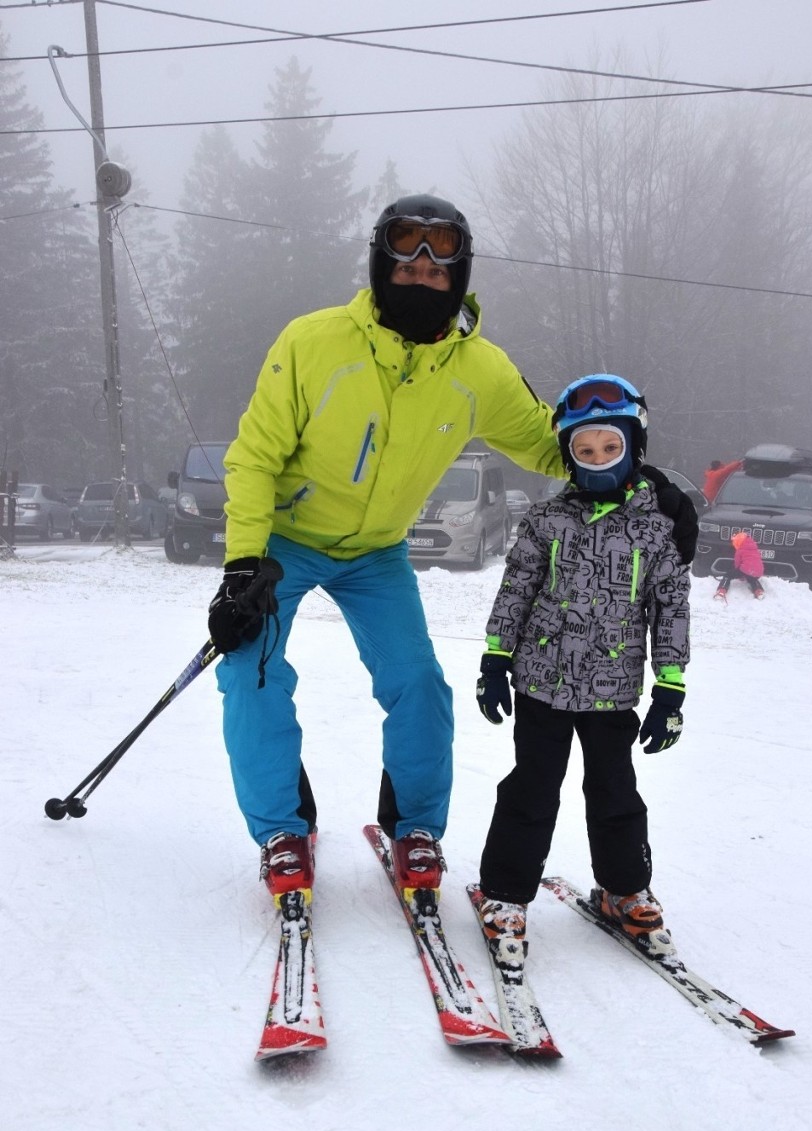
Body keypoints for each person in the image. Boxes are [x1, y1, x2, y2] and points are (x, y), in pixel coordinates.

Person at [206, 196, 698, 905]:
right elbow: (253, 458)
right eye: (406, 253)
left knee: (419, 684)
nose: (423, 268)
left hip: (377, 553)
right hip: (287, 543)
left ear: (462, 271)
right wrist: (243, 566)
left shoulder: (481, 369)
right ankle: (283, 830)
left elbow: (548, 443)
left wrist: (646, 481)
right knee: (251, 671)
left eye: (441, 257)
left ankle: (415, 826)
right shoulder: (312, 344)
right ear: (381, 262)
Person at [474, 374, 690, 959]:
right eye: (584, 450)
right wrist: (495, 660)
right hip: (541, 685)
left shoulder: (656, 530)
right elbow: (515, 591)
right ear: (569, 456)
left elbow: (671, 611)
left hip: (614, 692)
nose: (597, 461)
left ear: (634, 449)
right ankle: (504, 892)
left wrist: (670, 691)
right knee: (532, 789)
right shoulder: (546, 521)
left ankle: (623, 889)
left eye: (610, 448)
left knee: (615, 791)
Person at [714, 531, 765, 601]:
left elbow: (737, 563)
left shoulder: (740, 550)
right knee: (752, 578)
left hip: (746, 569)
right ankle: (759, 592)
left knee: (728, 575)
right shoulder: (755, 549)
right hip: (759, 571)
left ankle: (721, 591)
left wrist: (739, 573)